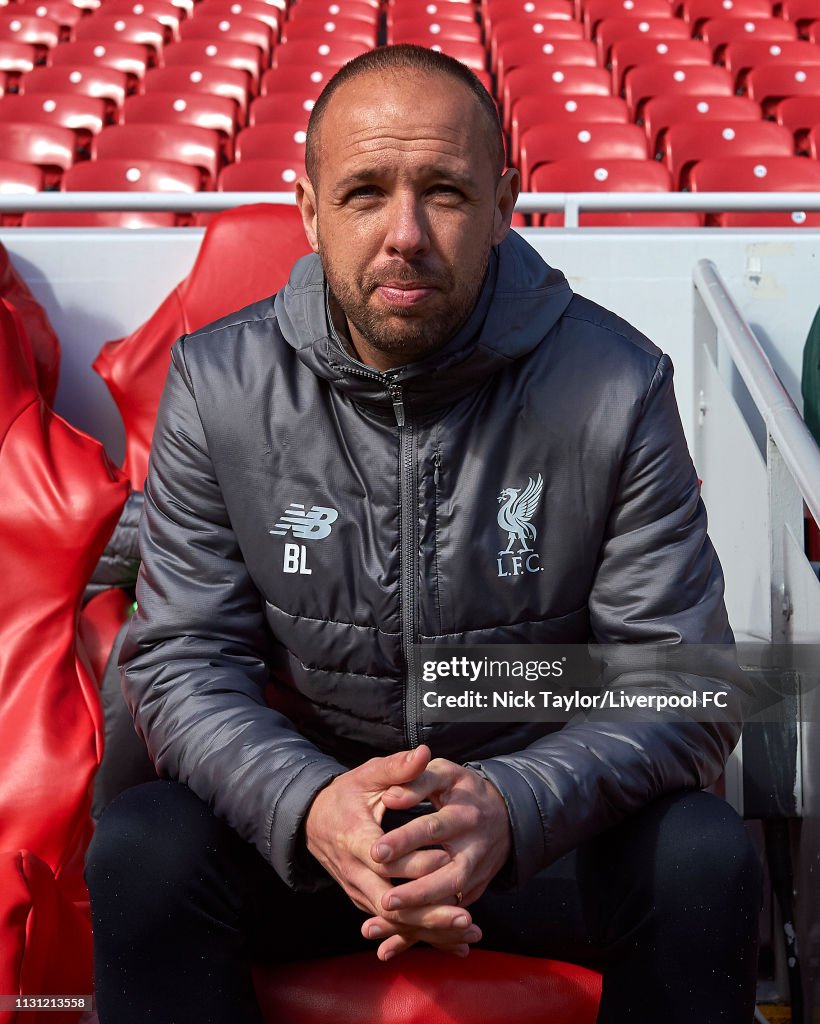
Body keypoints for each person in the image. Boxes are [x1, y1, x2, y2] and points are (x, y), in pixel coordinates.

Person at [86, 45, 762, 1023]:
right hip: (315, 828)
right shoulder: (217, 383)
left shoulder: (617, 386)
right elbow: (185, 661)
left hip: (542, 829)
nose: (404, 234)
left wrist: (509, 804)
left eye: (442, 192)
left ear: (502, 204)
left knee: (701, 855)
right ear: (310, 209)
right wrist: (313, 806)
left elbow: (679, 685)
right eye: (364, 192)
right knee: (145, 846)